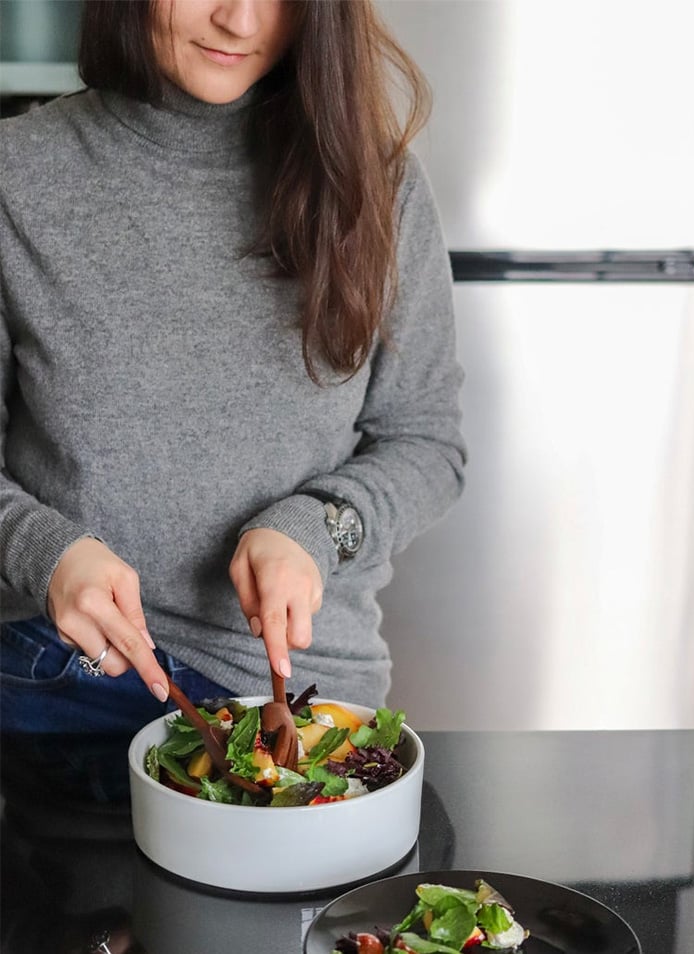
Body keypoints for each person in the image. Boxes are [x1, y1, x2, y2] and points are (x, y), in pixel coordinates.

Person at [0, 0, 466, 739]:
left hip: (309, 699)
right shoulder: (15, 177)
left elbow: (426, 444)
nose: (242, 21)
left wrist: (319, 527)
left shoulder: (380, 185)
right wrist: (44, 552)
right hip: (69, 677)